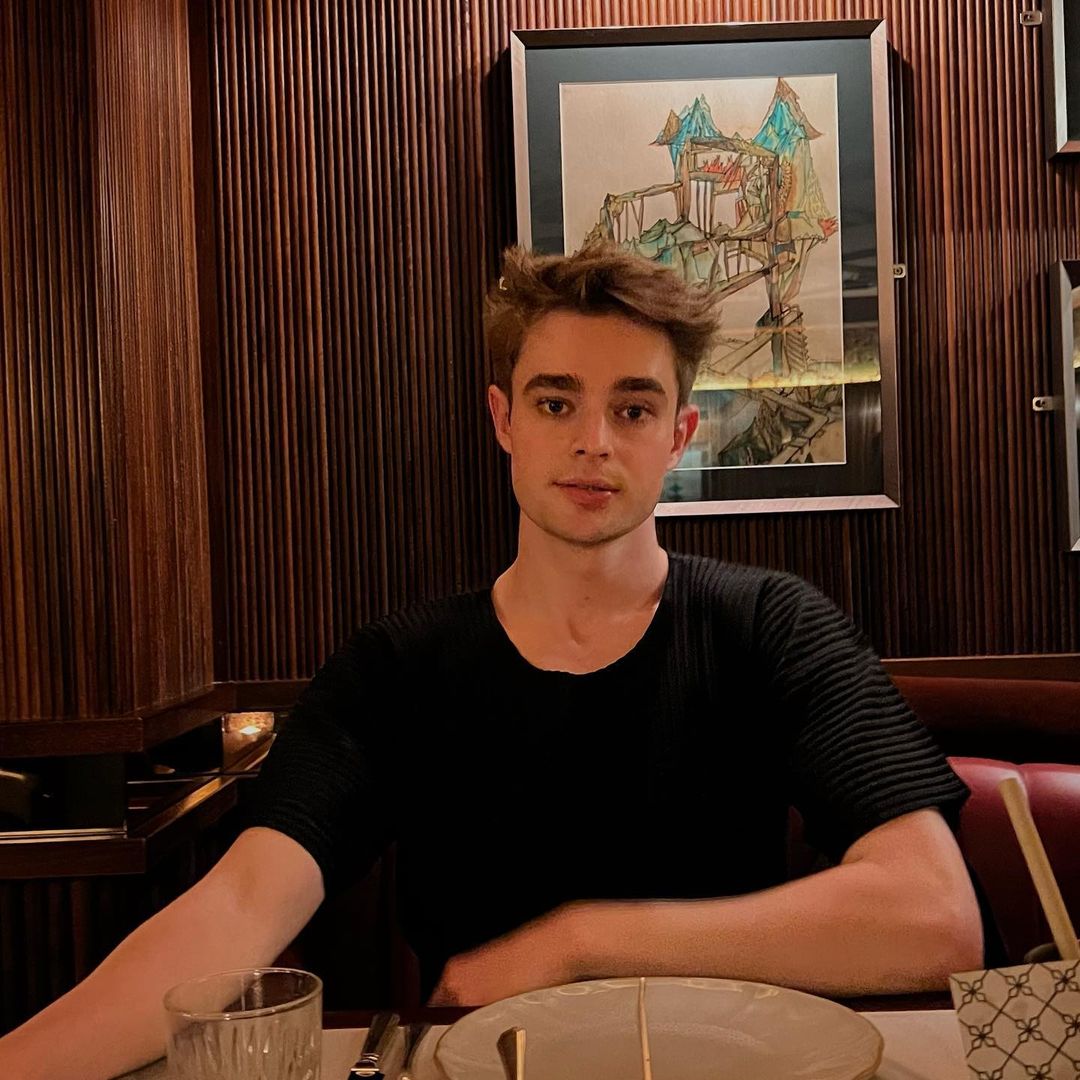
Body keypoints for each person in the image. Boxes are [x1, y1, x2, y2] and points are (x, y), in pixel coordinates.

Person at [0, 244, 984, 1079]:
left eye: (634, 409)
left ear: (680, 436)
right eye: (556, 403)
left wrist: (575, 943)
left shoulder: (774, 626)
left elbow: (935, 918)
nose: (593, 442)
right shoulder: (398, 666)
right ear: (504, 419)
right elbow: (239, 906)